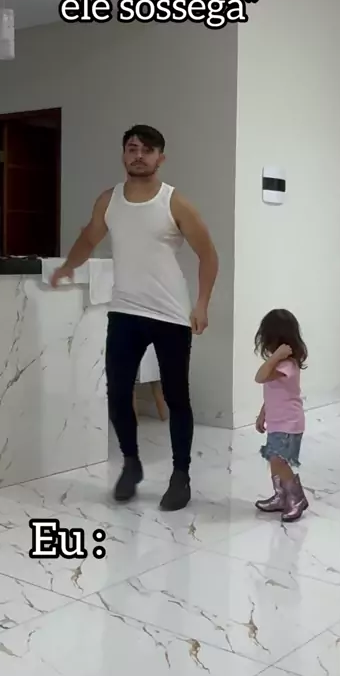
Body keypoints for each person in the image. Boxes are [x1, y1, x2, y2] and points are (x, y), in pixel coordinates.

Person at [51, 124, 218, 511]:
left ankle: (180, 475)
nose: (138, 155)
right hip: (125, 311)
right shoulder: (108, 201)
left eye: (146, 150)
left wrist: (202, 304)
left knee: (177, 396)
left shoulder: (175, 203)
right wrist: (68, 266)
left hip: (171, 314)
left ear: (161, 157)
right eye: (131, 148)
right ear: (123, 155)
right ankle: (131, 463)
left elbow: (209, 255)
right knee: (117, 392)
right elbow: (89, 238)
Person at [253, 309, 309, 522]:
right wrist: (263, 413)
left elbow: (259, 377)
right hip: (277, 422)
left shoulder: (288, 365)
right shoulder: (276, 366)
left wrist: (276, 356)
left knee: (280, 462)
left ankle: (297, 498)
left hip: (289, 424)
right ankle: (281, 496)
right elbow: (272, 392)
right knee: (274, 460)